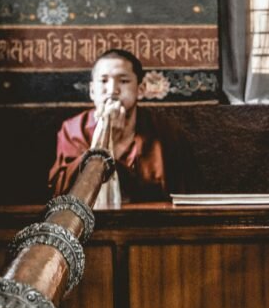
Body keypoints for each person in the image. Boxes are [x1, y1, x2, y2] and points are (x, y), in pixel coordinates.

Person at [48, 49, 194, 204]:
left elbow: (178, 194)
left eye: (123, 81)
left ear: (140, 89)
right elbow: (65, 193)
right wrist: (107, 143)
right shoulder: (73, 130)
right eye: (103, 81)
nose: (112, 90)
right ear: (92, 91)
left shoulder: (165, 132)